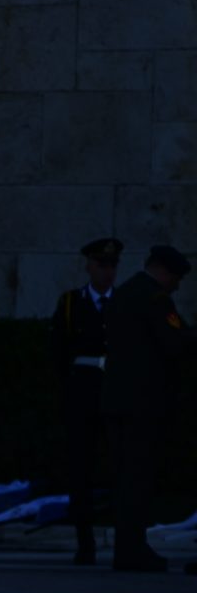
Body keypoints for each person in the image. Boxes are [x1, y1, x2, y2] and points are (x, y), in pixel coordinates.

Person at [101, 244, 194, 575]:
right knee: (138, 479)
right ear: (164, 271)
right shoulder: (154, 298)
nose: (177, 286)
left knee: (125, 479)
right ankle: (133, 550)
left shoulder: (124, 292)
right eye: (177, 278)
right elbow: (174, 342)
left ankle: (128, 548)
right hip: (144, 403)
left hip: (117, 399)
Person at [51, 238, 123, 565]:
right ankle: (86, 543)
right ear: (89, 266)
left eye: (111, 266)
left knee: (120, 468)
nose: (107, 272)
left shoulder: (123, 303)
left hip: (115, 391)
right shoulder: (70, 303)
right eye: (101, 265)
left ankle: (125, 540)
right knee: (81, 468)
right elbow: (58, 352)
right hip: (82, 392)